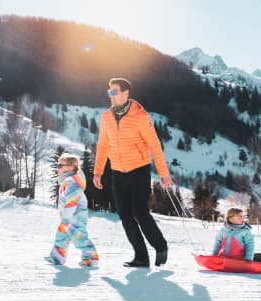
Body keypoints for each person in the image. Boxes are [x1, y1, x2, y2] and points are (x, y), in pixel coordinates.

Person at [93, 78, 172, 268]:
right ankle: (141, 257)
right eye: (109, 92)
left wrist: (164, 173)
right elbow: (103, 145)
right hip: (118, 172)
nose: (110, 96)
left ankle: (160, 246)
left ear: (125, 94)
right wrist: (98, 172)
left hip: (139, 170)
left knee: (140, 212)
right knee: (125, 216)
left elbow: (154, 145)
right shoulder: (106, 117)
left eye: (114, 92)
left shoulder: (141, 117)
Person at [47, 153, 99, 267]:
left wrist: (66, 218)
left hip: (76, 217)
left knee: (79, 237)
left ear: (71, 168)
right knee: (62, 236)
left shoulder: (73, 183)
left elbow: (71, 201)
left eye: (61, 165)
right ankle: (57, 258)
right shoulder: (68, 182)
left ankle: (91, 257)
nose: (58, 168)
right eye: (58, 165)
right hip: (69, 217)